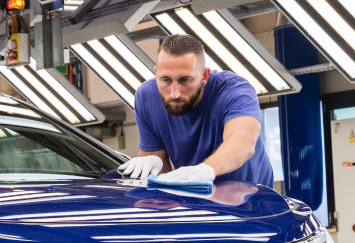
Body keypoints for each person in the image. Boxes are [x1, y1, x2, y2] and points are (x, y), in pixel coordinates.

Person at [117, 32, 274, 187]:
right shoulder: (146, 97)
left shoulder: (234, 91)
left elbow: (243, 142)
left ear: (204, 75)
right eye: (165, 80)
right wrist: (153, 164)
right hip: (195, 202)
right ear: (156, 73)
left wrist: (207, 170)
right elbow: (160, 182)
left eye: (185, 80)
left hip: (252, 203)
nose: (175, 93)